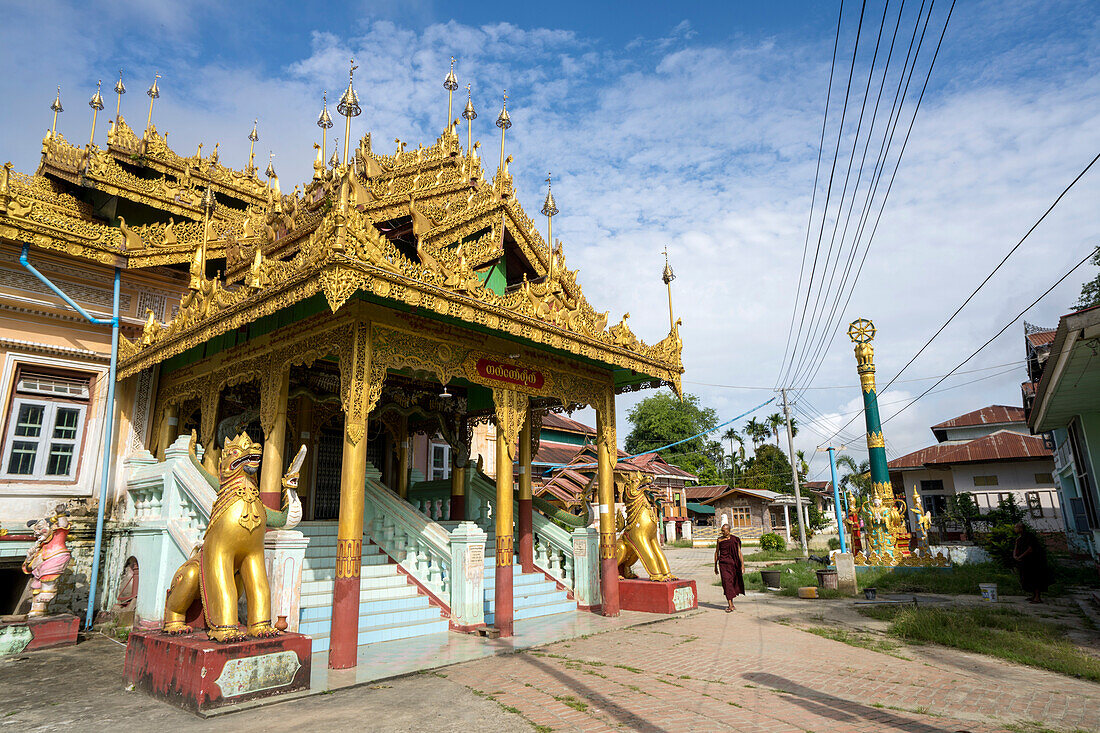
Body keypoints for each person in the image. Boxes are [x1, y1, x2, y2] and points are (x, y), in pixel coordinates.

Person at [1012, 522, 1051, 604]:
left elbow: (1030, 549)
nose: (1014, 529)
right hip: (1025, 562)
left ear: (1021, 528)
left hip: (1034, 561)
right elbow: (1016, 547)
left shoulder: (1029, 536)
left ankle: (1037, 597)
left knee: (1035, 578)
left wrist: (1020, 557)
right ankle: (1033, 595)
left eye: (1016, 527)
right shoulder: (1019, 538)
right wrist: (1015, 555)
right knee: (1027, 578)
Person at [713, 524, 744, 612]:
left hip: (733, 564)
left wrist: (742, 565)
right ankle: (730, 605)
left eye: (723, 530)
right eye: (721, 530)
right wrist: (715, 566)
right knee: (726, 583)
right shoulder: (719, 540)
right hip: (723, 564)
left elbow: (739, 552)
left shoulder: (735, 539)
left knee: (732, 583)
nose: (722, 532)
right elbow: (716, 552)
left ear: (728, 530)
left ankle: (732, 604)